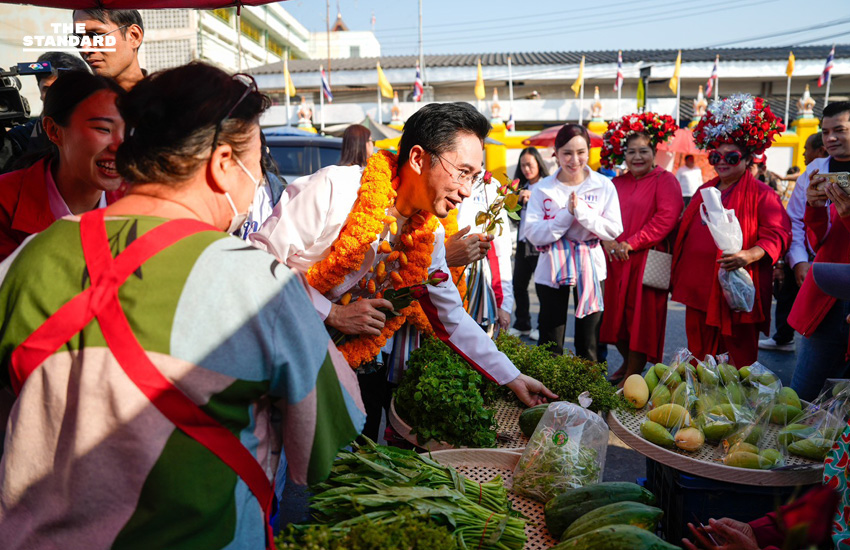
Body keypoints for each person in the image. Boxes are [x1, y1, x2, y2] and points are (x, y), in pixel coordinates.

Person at [0, 63, 365, 549]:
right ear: (222, 163)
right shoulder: (260, 283)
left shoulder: (29, 258)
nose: (258, 182)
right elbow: (326, 446)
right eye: (257, 165)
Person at [250, 102, 556, 441]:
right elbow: (256, 263)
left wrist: (512, 377)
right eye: (462, 172)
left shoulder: (429, 234)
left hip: (329, 371)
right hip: (271, 354)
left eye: (473, 176)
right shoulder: (334, 190)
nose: (467, 190)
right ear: (418, 158)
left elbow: (451, 319)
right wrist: (333, 313)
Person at [672, 94, 790, 367]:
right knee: (698, 358)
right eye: (715, 156)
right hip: (699, 290)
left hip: (735, 292)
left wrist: (750, 255)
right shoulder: (704, 190)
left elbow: (779, 233)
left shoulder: (763, 194)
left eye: (732, 156)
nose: (721, 162)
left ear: (748, 159)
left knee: (737, 363)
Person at [0, 71, 125, 262]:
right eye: (103, 129)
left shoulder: (142, 200)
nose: (120, 146)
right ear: (53, 131)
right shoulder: (5, 202)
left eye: (127, 131)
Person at [524, 123, 623, 360]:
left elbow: (613, 229)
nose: (574, 160)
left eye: (580, 152)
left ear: (589, 151)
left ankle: (590, 383)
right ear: (556, 154)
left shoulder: (603, 185)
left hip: (591, 264)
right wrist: (566, 215)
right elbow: (533, 233)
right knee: (551, 338)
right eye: (567, 153)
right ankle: (548, 383)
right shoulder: (543, 188)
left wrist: (582, 213)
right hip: (552, 265)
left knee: (589, 340)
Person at [599, 113, 683, 385]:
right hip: (616, 261)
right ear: (622, 154)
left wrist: (632, 242)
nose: (637, 157)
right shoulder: (615, 183)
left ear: (654, 153)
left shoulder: (665, 180)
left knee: (640, 321)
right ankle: (627, 363)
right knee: (615, 319)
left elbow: (666, 218)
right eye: (631, 151)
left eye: (643, 151)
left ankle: (633, 374)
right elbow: (599, 216)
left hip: (646, 260)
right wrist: (607, 241)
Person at [787, 101, 850, 400]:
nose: (830, 138)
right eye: (825, 132)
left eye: (840, 130)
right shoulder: (816, 170)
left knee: (842, 400)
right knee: (804, 390)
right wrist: (814, 210)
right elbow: (815, 238)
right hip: (827, 288)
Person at [759, 132, 828, 352]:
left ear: (820, 150)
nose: (804, 153)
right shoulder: (807, 176)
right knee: (787, 294)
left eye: (807, 149)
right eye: (828, 132)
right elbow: (796, 220)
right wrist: (798, 260)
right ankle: (784, 337)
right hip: (803, 252)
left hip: (829, 257)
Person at [1, 52, 91, 174]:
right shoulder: (21, 139)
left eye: (61, 88)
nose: (54, 96)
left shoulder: (99, 134)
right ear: (39, 91)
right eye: (47, 89)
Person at [509, 146, 549, 340]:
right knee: (518, 285)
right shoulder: (520, 187)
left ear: (539, 164)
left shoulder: (547, 186)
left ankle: (543, 327)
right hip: (523, 242)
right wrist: (516, 200)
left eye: (530, 165)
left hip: (540, 244)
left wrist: (533, 199)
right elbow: (512, 216)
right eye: (523, 165)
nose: (526, 169)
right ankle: (522, 323)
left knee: (542, 288)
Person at [72, 9, 145, 91]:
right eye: (79, 38)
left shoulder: (155, 96)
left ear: (134, 36)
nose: (85, 49)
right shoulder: (79, 97)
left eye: (96, 36)